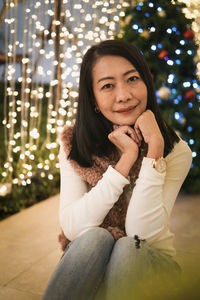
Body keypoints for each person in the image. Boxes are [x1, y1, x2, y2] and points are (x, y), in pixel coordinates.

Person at [42, 39, 192, 300]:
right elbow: (73, 228)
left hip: (152, 264)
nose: (124, 95)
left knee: (127, 247)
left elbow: (140, 235)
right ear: (94, 99)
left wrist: (153, 150)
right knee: (93, 238)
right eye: (108, 85)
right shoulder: (73, 144)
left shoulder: (175, 150)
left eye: (132, 79)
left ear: (147, 83)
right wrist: (125, 162)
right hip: (92, 261)